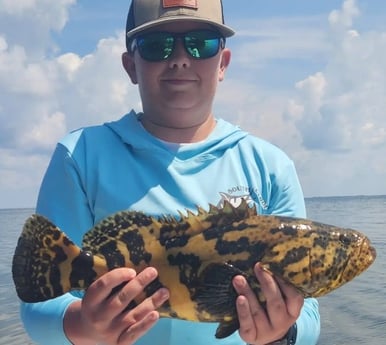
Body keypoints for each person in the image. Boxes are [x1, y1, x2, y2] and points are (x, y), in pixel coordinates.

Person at [20, 0, 320, 344]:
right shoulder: (81, 156)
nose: (180, 58)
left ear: (223, 62)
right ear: (131, 65)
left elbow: (307, 312)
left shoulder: (271, 167)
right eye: (156, 45)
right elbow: (37, 300)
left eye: (201, 43)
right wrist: (81, 326)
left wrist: (283, 332)